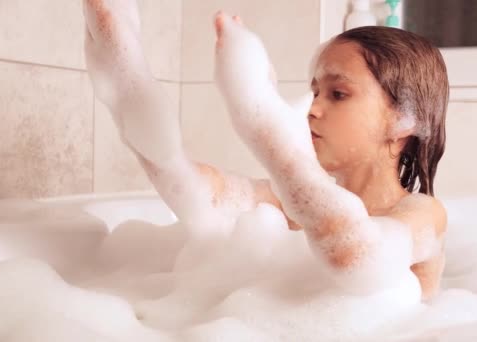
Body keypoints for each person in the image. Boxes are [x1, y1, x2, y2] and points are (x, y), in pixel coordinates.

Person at [82, 0, 449, 300]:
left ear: (404, 120)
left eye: (338, 94)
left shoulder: (420, 214)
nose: (313, 108)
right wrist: (129, 94)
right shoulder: (287, 204)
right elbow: (199, 193)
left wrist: (273, 140)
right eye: (315, 91)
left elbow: (357, 258)